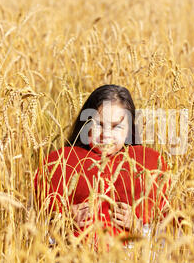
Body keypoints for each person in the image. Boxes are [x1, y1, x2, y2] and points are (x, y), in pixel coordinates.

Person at [33, 85, 171, 244]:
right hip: (72, 261)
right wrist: (63, 220)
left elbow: (167, 238)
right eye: (99, 124)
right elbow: (33, 229)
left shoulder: (148, 167)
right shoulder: (60, 165)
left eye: (116, 126)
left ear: (129, 130)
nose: (106, 134)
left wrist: (138, 226)